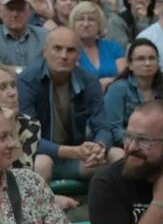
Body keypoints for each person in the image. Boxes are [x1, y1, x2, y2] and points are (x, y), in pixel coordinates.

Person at [17, 26, 122, 182]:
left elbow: (103, 126)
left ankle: (107, 205)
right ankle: (44, 203)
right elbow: (27, 137)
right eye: (57, 49)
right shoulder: (27, 80)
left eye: (71, 50)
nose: (64, 56)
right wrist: (72, 152)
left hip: (77, 158)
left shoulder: (89, 80)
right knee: (42, 163)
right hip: (40, 156)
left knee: (118, 156)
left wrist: (99, 147)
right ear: (45, 51)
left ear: (78, 55)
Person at [103, 37, 163, 146]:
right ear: (130, 65)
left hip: (158, 145)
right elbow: (113, 129)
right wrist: (143, 143)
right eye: (140, 59)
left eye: (152, 58)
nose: (147, 63)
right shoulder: (118, 89)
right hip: (125, 145)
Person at [72, 0, 125, 91]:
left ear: (99, 25)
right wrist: (100, 84)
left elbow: (124, 78)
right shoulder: (70, 50)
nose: (86, 24)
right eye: (81, 19)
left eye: (91, 19)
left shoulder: (113, 47)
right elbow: (74, 82)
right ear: (73, 24)